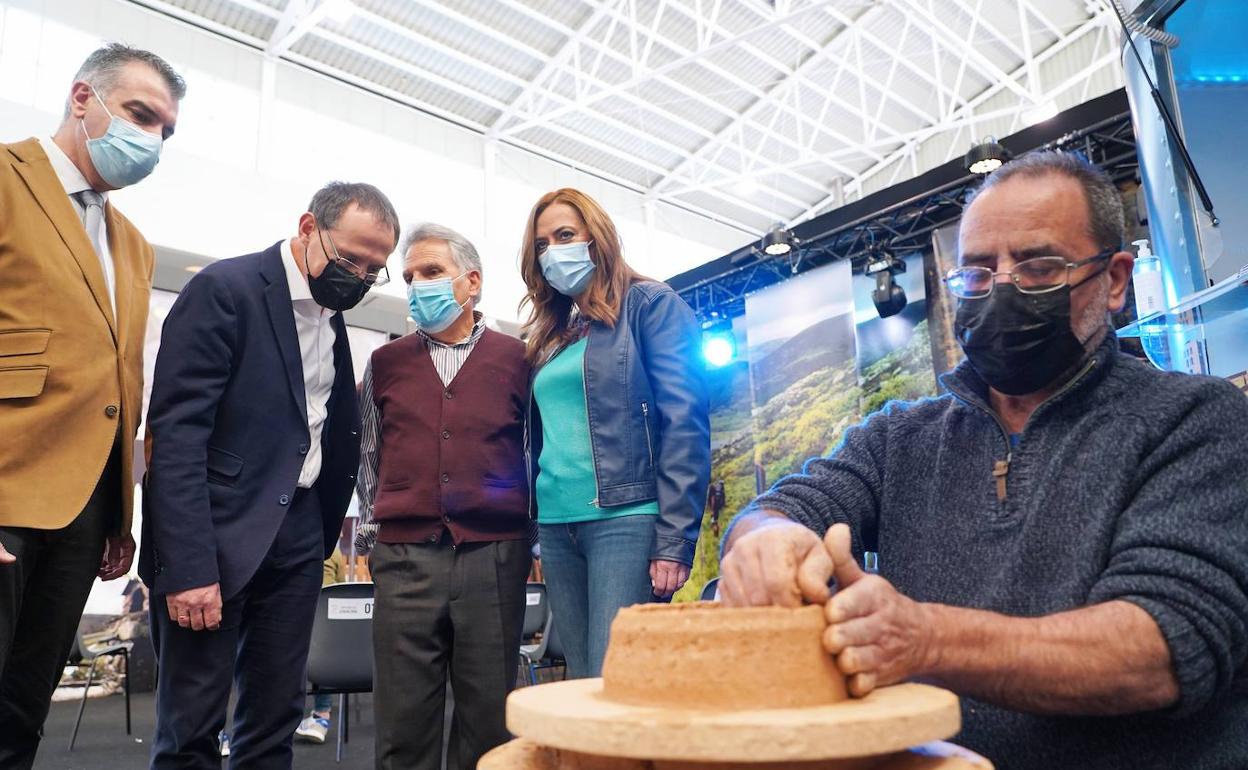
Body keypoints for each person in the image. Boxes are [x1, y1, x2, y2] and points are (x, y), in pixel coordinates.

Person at [719, 152, 1248, 770]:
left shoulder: (1196, 420)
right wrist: (767, 537)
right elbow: (785, 507)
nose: (1002, 290)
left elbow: (1163, 644)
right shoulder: (899, 437)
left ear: (1113, 280)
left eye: (1039, 266)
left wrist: (925, 637)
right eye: (976, 273)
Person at [140, 182, 399, 768]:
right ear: (308, 228)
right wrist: (187, 566)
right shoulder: (226, 290)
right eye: (349, 258)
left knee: (275, 717)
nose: (358, 276)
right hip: (214, 539)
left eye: (374, 268)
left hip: (297, 540)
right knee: (192, 727)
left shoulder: (330, 322)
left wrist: (318, 535)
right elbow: (177, 435)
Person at [0, 43, 184, 767]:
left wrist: (118, 514)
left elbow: (122, 385)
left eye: (165, 131)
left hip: (83, 516)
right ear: (83, 98)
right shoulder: (7, 178)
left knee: (21, 714)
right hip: (8, 490)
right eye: (141, 115)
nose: (153, 141)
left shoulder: (133, 244)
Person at [354, 223, 532, 770]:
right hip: (404, 556)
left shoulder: (519, 359)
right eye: (409, 277)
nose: (416, 286)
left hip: (494, 554)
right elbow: (369, 458)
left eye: (431, 272)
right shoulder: (385, 363)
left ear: (470, 282)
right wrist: (372, 537)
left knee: (487, 722)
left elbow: (532, 451)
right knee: (402, 724)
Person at [519, 188, 710, 679]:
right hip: (559, 529)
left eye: (564, 235)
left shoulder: (650, 305)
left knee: (618, 681)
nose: (552, 251)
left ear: (595, 237)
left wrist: (675, 540)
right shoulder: (550, 332)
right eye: (541, 245)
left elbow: (684, 422)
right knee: (582, 682)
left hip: (627, 520)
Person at [293, 543, 347, 745]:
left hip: (296, 621)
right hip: (327, 630)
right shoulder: (334, 553)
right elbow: (342, 587)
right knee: (325, 651)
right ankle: (322, 715)